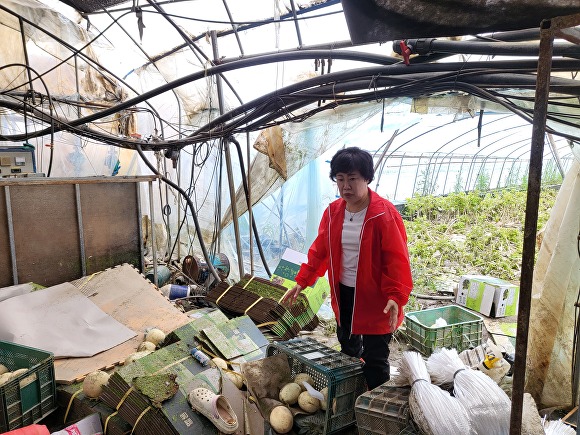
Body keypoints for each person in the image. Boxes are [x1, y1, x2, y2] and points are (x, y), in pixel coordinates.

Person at [282, 146, 413, 390]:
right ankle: (351, 394)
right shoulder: (333, 213)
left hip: (376, 297)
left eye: (352, 179)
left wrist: (396, 296)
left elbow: (396, 260)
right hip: (344, 292)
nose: (346, 186)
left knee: (375, 356)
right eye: (340, 179)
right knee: (348, 348)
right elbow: (320, 250)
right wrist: (303, 280)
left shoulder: (384, 215)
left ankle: (374, 405)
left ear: (367, 178)